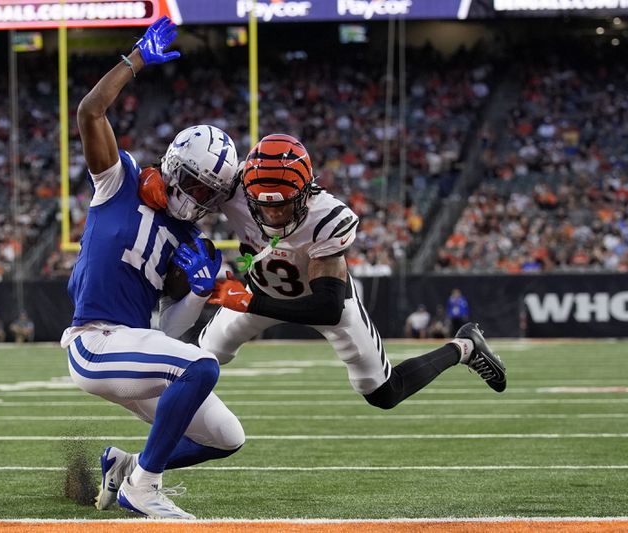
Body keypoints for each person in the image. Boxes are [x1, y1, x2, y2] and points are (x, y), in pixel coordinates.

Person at [140, 134, 506, 410]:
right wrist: (155, 183)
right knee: (193, 362)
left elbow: (327, 308)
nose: (274, 216)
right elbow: (193, 170)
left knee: (384, 393)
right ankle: (157, 454)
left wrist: (249, 302)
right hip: (258, 289)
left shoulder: (327, 218)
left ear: (306, 191)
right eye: (263, 208)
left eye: (283, 206)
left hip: (317, 299)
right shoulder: (232, 188)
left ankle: (464, 346)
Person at [61, 17, 243, 520]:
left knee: (229, 437)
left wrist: (200, 294)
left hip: (135, 348)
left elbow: (170, 330)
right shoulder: (117, 182)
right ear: (174, 167)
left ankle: (126, 468)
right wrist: (135, 59)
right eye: (197, 185)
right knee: (202, 367)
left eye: (211, 195)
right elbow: (90, 111)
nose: (200, 200)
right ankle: (144, 488)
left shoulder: (190, 240)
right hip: (94, 341)